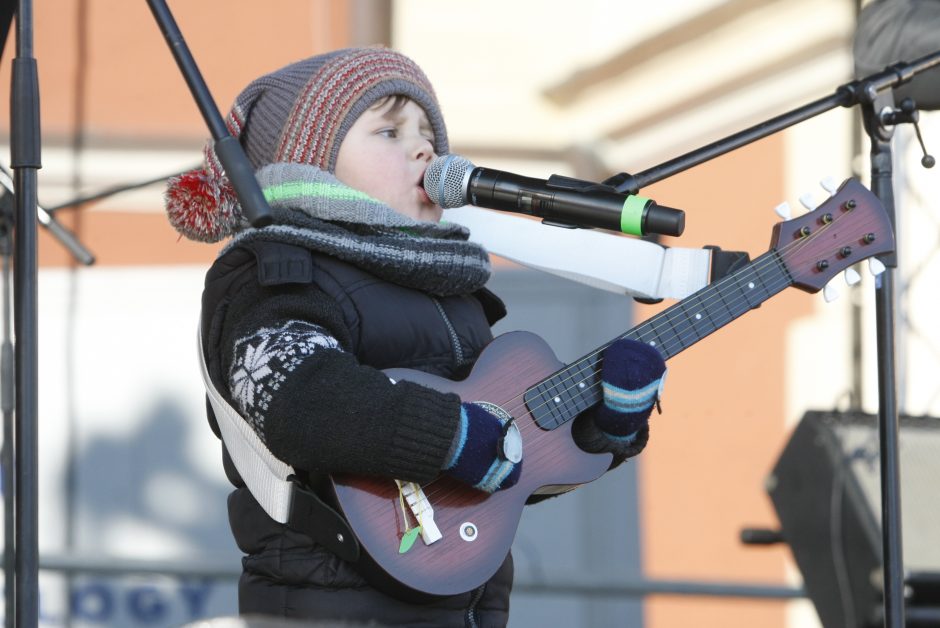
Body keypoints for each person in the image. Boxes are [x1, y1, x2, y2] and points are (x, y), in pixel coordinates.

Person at [165, 46, 666, 626]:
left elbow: (508, 466)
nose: (425, 148)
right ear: (308, 162)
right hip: (329, 605)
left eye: (428, 131)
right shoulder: (279, 268)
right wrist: (451, 437)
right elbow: (297, 396)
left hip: (466, 606)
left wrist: (601, 427)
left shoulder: (450, 292)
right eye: (389, 130)